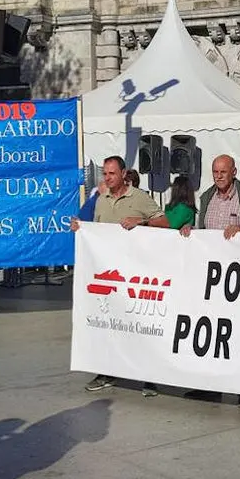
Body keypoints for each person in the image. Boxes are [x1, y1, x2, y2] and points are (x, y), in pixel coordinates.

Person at [70, 155, 169, 396]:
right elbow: (94, 231)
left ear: (124, 174)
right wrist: (81, 229)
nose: (107, 178)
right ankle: (107, 372)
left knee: (140, 326)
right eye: (105, 174)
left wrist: (142, 221)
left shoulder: (139, 197)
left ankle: (149, 378)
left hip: (135, 277)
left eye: (112, 173)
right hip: (110, 279)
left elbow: (165, 222)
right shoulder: (101, 200)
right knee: (109, 326)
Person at [180, 154, 240, 407]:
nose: (219, 176)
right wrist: (191, 232)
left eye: (223, 172)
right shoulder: (207, 198)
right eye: (215, 172)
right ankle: (210, 387)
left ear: (234, 172)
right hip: (212, 282)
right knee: (212, 334)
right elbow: (204, 236)